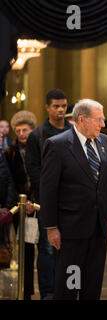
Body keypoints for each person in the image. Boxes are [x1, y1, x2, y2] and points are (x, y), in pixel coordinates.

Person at [39, 99, 107, 300]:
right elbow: (48, 190)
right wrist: (50, 227)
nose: (103, 124)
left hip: (98, 230)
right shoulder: (57, 145)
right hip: (70, 232)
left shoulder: (106, 142)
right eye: (99, 120)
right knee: (69, 286)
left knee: (92, 285)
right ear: (82, 119)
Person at [25, 88, 72, 300]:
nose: (61, 110)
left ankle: (69, 290)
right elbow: (33, 168)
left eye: (63, 106)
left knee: (71, 249)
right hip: (46, 200)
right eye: (56, 106)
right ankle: (48, 293)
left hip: (71, 199)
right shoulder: (37, 135)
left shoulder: (73, 131)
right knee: (46, 248)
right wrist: (49, 188)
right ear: (47, 107)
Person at [4, 110, 37, 299]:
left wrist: (34, 199)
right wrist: (22, 200)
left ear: (32, 130)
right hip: (20, 205)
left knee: (45, 249)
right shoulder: (11, 152)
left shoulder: (40, 147)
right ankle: (26, 290)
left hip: (38, 204)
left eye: (25, 130)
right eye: (18, 131)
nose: (22, 134)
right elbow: (10, 179)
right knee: (24, 248)